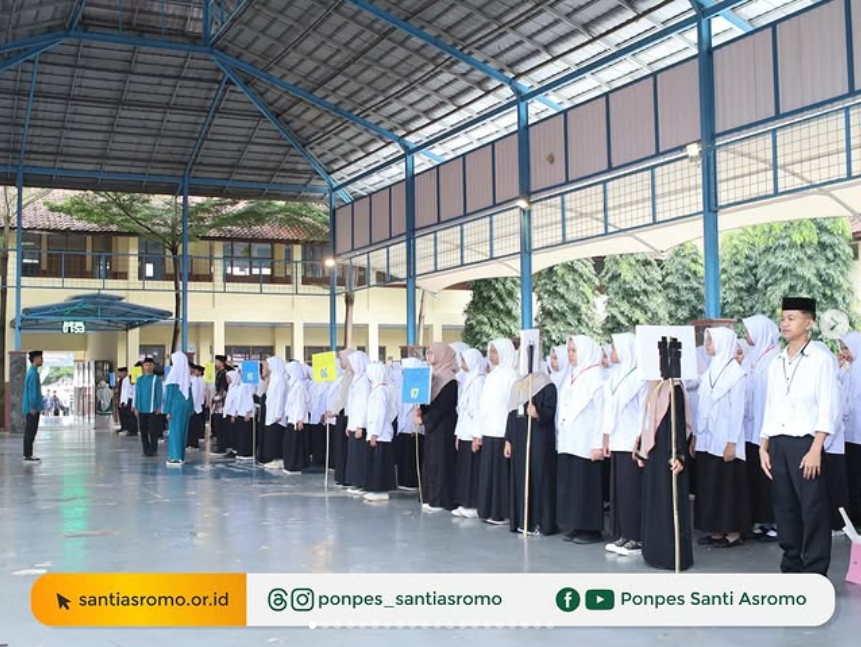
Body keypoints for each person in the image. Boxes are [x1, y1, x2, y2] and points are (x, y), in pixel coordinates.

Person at [759, 297, 836, 575]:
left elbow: (828, 406)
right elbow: (770, 406)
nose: (785, 323)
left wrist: (816, 448)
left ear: (809, 322)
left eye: (792, 318)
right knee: (785, 508)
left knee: (813, 509)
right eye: (783, 318)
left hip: (806, 444)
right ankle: (791, 565)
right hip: (777, 443)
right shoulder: (776, 362)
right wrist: (764, 445)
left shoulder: (820, 359)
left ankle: (815, 571)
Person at [692, 328, 750, 548]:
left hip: (726, 439)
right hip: (707, 438)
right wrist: (695, 436)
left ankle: (733, 532)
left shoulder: (736, 373)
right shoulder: (710, 370)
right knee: (711, 485)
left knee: (727, 487)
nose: (707, 344)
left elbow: (737, 411)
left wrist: (732, 442)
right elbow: (701, 406)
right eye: (707, 340)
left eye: (711, 340)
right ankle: (716, 530)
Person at [636, 378, 694, 571]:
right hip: (654, 453)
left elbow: (677, 424)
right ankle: (654, 552)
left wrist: (678, 454)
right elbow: (647, 419)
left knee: (669, 501)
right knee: (655, 501)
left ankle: (670, 556)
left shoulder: (674, 388)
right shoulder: (654, 386)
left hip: (668, 453)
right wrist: (641, 447)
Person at [557, 335, 605, 544]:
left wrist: (598, 443)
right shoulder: (572, 374)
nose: (570, 355)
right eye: (569, 350)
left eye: (574, 350)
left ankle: (591, 529)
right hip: (570, 440)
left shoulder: (595, 377)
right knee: (573, 485)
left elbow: (601, 412)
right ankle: (576, 525)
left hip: (587, 442)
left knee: (587, 485)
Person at [603, 332, 648, 557]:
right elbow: (608, 409)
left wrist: (640, 440)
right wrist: (606, 437)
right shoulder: (616, 375)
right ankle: (624, 533)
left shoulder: (639, 376)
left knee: (632, 491)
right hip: (617, 440)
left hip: (631, 441)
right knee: (620, 492)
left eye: (614, 347)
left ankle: (637, 537)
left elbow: (643, 412)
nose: (611, 351)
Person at [506, 344, 558, 536]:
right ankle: (522, 520)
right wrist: (508, 440)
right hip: (519, 439)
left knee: (538, 478)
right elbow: (511, 414)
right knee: (521, 478)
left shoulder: (546, 384)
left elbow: (550, 411)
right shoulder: (518, 384)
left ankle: (539, 522)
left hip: (538, 439)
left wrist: (537, 413)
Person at [742, 314, 780, 542]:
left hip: (767, 428)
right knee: (756, 476)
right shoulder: (752, 357)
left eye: (748, 331)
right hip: (751, 428)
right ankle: (761, 519)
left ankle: (775, 523)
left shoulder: (774, 359)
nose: (745, 335)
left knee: (769, 477)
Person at [475, 338, 519, 525]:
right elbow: (483, 406)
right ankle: (487, 509)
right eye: (490, 352)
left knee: (500, 474)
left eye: (495, 352)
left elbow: (512, 408)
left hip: (502, 431)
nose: (492, 356)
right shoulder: (492, 376)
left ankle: (501, 512)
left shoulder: (512, 376)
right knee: (488, 473)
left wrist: (509, 436)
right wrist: (478, 433)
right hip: (489, 430)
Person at [416, 342, 459, 512]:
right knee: (430, 461)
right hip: (432, 427)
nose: (429, 356)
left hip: (444, 427)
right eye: (427, 353)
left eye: (432, 353)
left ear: (442, 355)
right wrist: (421, 409)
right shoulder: (432, 375)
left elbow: (443, 406)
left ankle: (440, 499)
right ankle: (429, 496)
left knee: (441, 462)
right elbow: (428, 402)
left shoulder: (449, 379)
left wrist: (424, 419)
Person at [452, 348, 485, 518]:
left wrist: (476, 436)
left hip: (472, 433)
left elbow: (478, 411)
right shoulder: (467, 380)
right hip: (464, 432)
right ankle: (464, 502)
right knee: (464, 469)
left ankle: (473, 504)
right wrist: (458, 435)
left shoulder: (479, 382)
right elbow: (462, 411)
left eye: (464, 360)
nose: (462, 364)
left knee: (473, 469)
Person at [364, 362, 397, 502]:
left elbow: (379, 414)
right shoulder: (381, 389)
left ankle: (379, 491)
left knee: (378, 463)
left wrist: (374, 433)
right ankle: (377, 489)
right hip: (381, 433)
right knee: (378, 462)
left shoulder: (380, 392)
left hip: (379, 434)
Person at [394, 357, 425, 491]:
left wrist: (415, 427)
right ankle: (403, 480)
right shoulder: (403, 384)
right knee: (404, 454)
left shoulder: (419, 385)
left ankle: (412, 482)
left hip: (413, 426)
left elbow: (418, 407)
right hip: (403, 426)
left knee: (412, 455)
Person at [840, 331, 861, 525]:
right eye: (842, 348)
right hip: (850, 434)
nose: (844, 353)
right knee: (852, 477)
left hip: (858, 433)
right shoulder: (849, 370)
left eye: (846, 348)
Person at [345, 351, 371, 493]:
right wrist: (349, 425)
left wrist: (360, 425)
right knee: (354, 455)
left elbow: (363, 406)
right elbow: (352, 405)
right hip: (353, 423)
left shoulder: (364, 381)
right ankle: (355, 482)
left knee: (360, 455)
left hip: (360, 425)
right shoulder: (356, 379)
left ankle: (362, 483)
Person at [164, 351, 194, 466]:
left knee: (174, 431)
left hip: (175, 406)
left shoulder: (173, 376)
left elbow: (169, 396)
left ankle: (175, 457)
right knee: (183, 430)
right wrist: (191, 408)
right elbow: (190, 395)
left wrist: (167, 411)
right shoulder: (186, 377)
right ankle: (181, 456)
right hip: (185, 406)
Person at [331, 349, 356, 486]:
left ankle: (346, 477)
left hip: (348, 415)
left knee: (345, 448)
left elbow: (348, 399)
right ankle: (341, 476)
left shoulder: (353, 376)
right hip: (341, 414)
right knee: (340, 448)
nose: (340, 361)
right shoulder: (346, 376)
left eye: (342, 358)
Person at [283, 360, 310, 474]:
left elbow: (301, 403)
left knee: (295, 443)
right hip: (292, 417)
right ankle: (290, 465)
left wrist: (300, 419)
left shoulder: (299, 386)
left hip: (297, 419)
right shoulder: (293, 385)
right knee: (290, 443)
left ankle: (295, 466)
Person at [134, 357, 163, 457]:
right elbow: (137, 394)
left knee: (153, 430)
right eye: (146, 365)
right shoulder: (139, 380)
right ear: (143, 366)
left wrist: (159, 406)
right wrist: (136, 407)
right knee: (143, 431)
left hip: (152, 409)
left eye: (150, 365)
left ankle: (153, 449)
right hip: (141, 409)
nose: (148, 367)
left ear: (153, 366)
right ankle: (145, 449)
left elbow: (159, 393)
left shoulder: (156, 379)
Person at [261, 356, 287, 469]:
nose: (268, 366)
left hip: (277, 415)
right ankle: (273, 459)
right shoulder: (274, 377)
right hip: (271, 413)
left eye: (269, 364)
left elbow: (280, 397)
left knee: (276, 436)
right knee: (271, 436)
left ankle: (279, 460)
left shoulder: (280, 378)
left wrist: (278, 413)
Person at [231, 368, 257, 461]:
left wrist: (248, 412)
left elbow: (250, 397)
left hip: (246, 413)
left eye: (241, 371)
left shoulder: (250, 383)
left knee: (246, 434)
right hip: (240, 412)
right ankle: (241, 451)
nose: (240, 373)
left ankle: (247, 453)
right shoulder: (242, 383)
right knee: (241, 433)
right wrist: (236, 412)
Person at [22, 350, 43, 462]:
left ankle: (28, 454)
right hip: (32, 408)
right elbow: (32, 392)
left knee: (30, 431)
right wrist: (33, 406)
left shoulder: (32, 372)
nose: (42, 360)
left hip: (32, 407)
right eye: (40, 358)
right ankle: (27, 455)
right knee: (30, 431)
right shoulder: (33, 373)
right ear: (35, 359)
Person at [210, 355, 231, 455]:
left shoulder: (225, 374)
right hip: (217, 403)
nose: (215, 364)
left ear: (221, 363)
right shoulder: (218, 373)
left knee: (221, 425)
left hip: (222, 404)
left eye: (217, 362)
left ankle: (222, 446)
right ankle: (219, 443)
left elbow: (224, 390)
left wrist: (217, 398)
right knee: (217, 424)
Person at [188, 364, 207, 450]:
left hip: (195, 406)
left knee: (192, 427)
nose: (194, 371)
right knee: (195, 426)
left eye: (196, 370)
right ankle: (194, 443)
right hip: (198, 406)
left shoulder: (195, 380)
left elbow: (194, 395)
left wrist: (192, 406)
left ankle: (192, 444)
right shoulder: (199, 380)